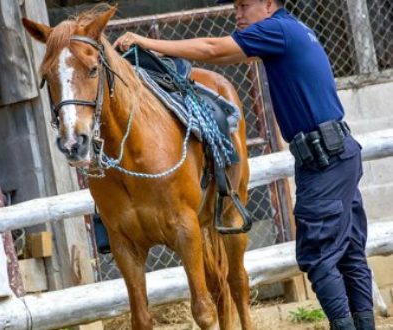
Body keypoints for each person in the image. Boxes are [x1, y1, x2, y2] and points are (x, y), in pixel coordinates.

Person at [113, 0, 375, 329]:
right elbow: (230, 53)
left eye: (243, 5)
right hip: (339, 153)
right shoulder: (292, 31)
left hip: (323, 159)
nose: (237, 14)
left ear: (268, 5)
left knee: (319, 258)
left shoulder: (276, 29)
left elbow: (212, 48)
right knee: (350, 254)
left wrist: (144, 41)